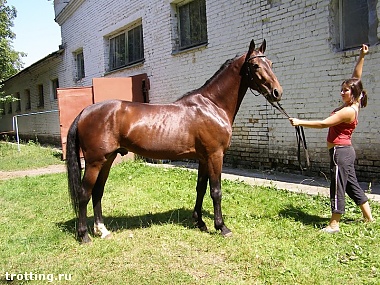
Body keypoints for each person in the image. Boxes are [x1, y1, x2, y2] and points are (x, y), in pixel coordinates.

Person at [289, 44, 374, 234]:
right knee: (352, 185)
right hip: (345, 152)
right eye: (342, 89)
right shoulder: (355, 102)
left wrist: (299, 122)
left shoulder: (347, 111)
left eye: (345, 90)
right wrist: (361, 56)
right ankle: (369, 218)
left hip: (340, 152)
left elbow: (323, 124)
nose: (342, 92)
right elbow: (357, 77)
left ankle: (334, 224)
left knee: (337, 186)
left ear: (354, 93)